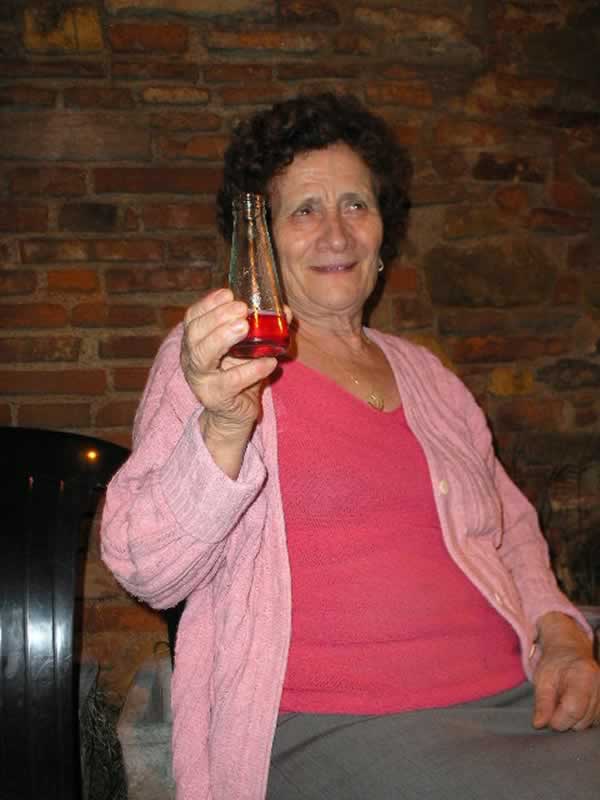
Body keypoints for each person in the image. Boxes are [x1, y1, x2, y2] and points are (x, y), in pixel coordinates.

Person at [101, 93, 600, 800]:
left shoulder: (428, 375)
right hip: (338, 723)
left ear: (382, 231)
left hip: (518, 698)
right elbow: (146, 569)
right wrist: (221, 431)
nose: (335, 233)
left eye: (355, 205)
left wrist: (563, 634)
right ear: (262, 240)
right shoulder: (220, 362)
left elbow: (512, 526)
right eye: (304, 210)